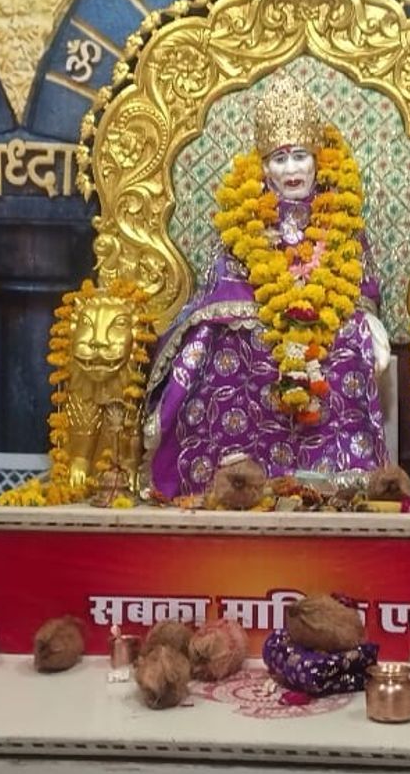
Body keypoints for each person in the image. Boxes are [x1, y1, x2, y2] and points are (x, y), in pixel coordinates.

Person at [143, 75, 390, 498]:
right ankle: (232, 472)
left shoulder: (341, 218)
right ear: (264, 168)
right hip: (260, 325)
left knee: (351, 342)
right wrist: (273, 316)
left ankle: (340, 473)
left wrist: (367, 319)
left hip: (327, 326)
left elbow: (362, 288)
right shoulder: (246, 219)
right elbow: (222, 288)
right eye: (280, 159)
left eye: (299, 156)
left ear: (317, 161)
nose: (291, 169)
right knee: (230, 344)